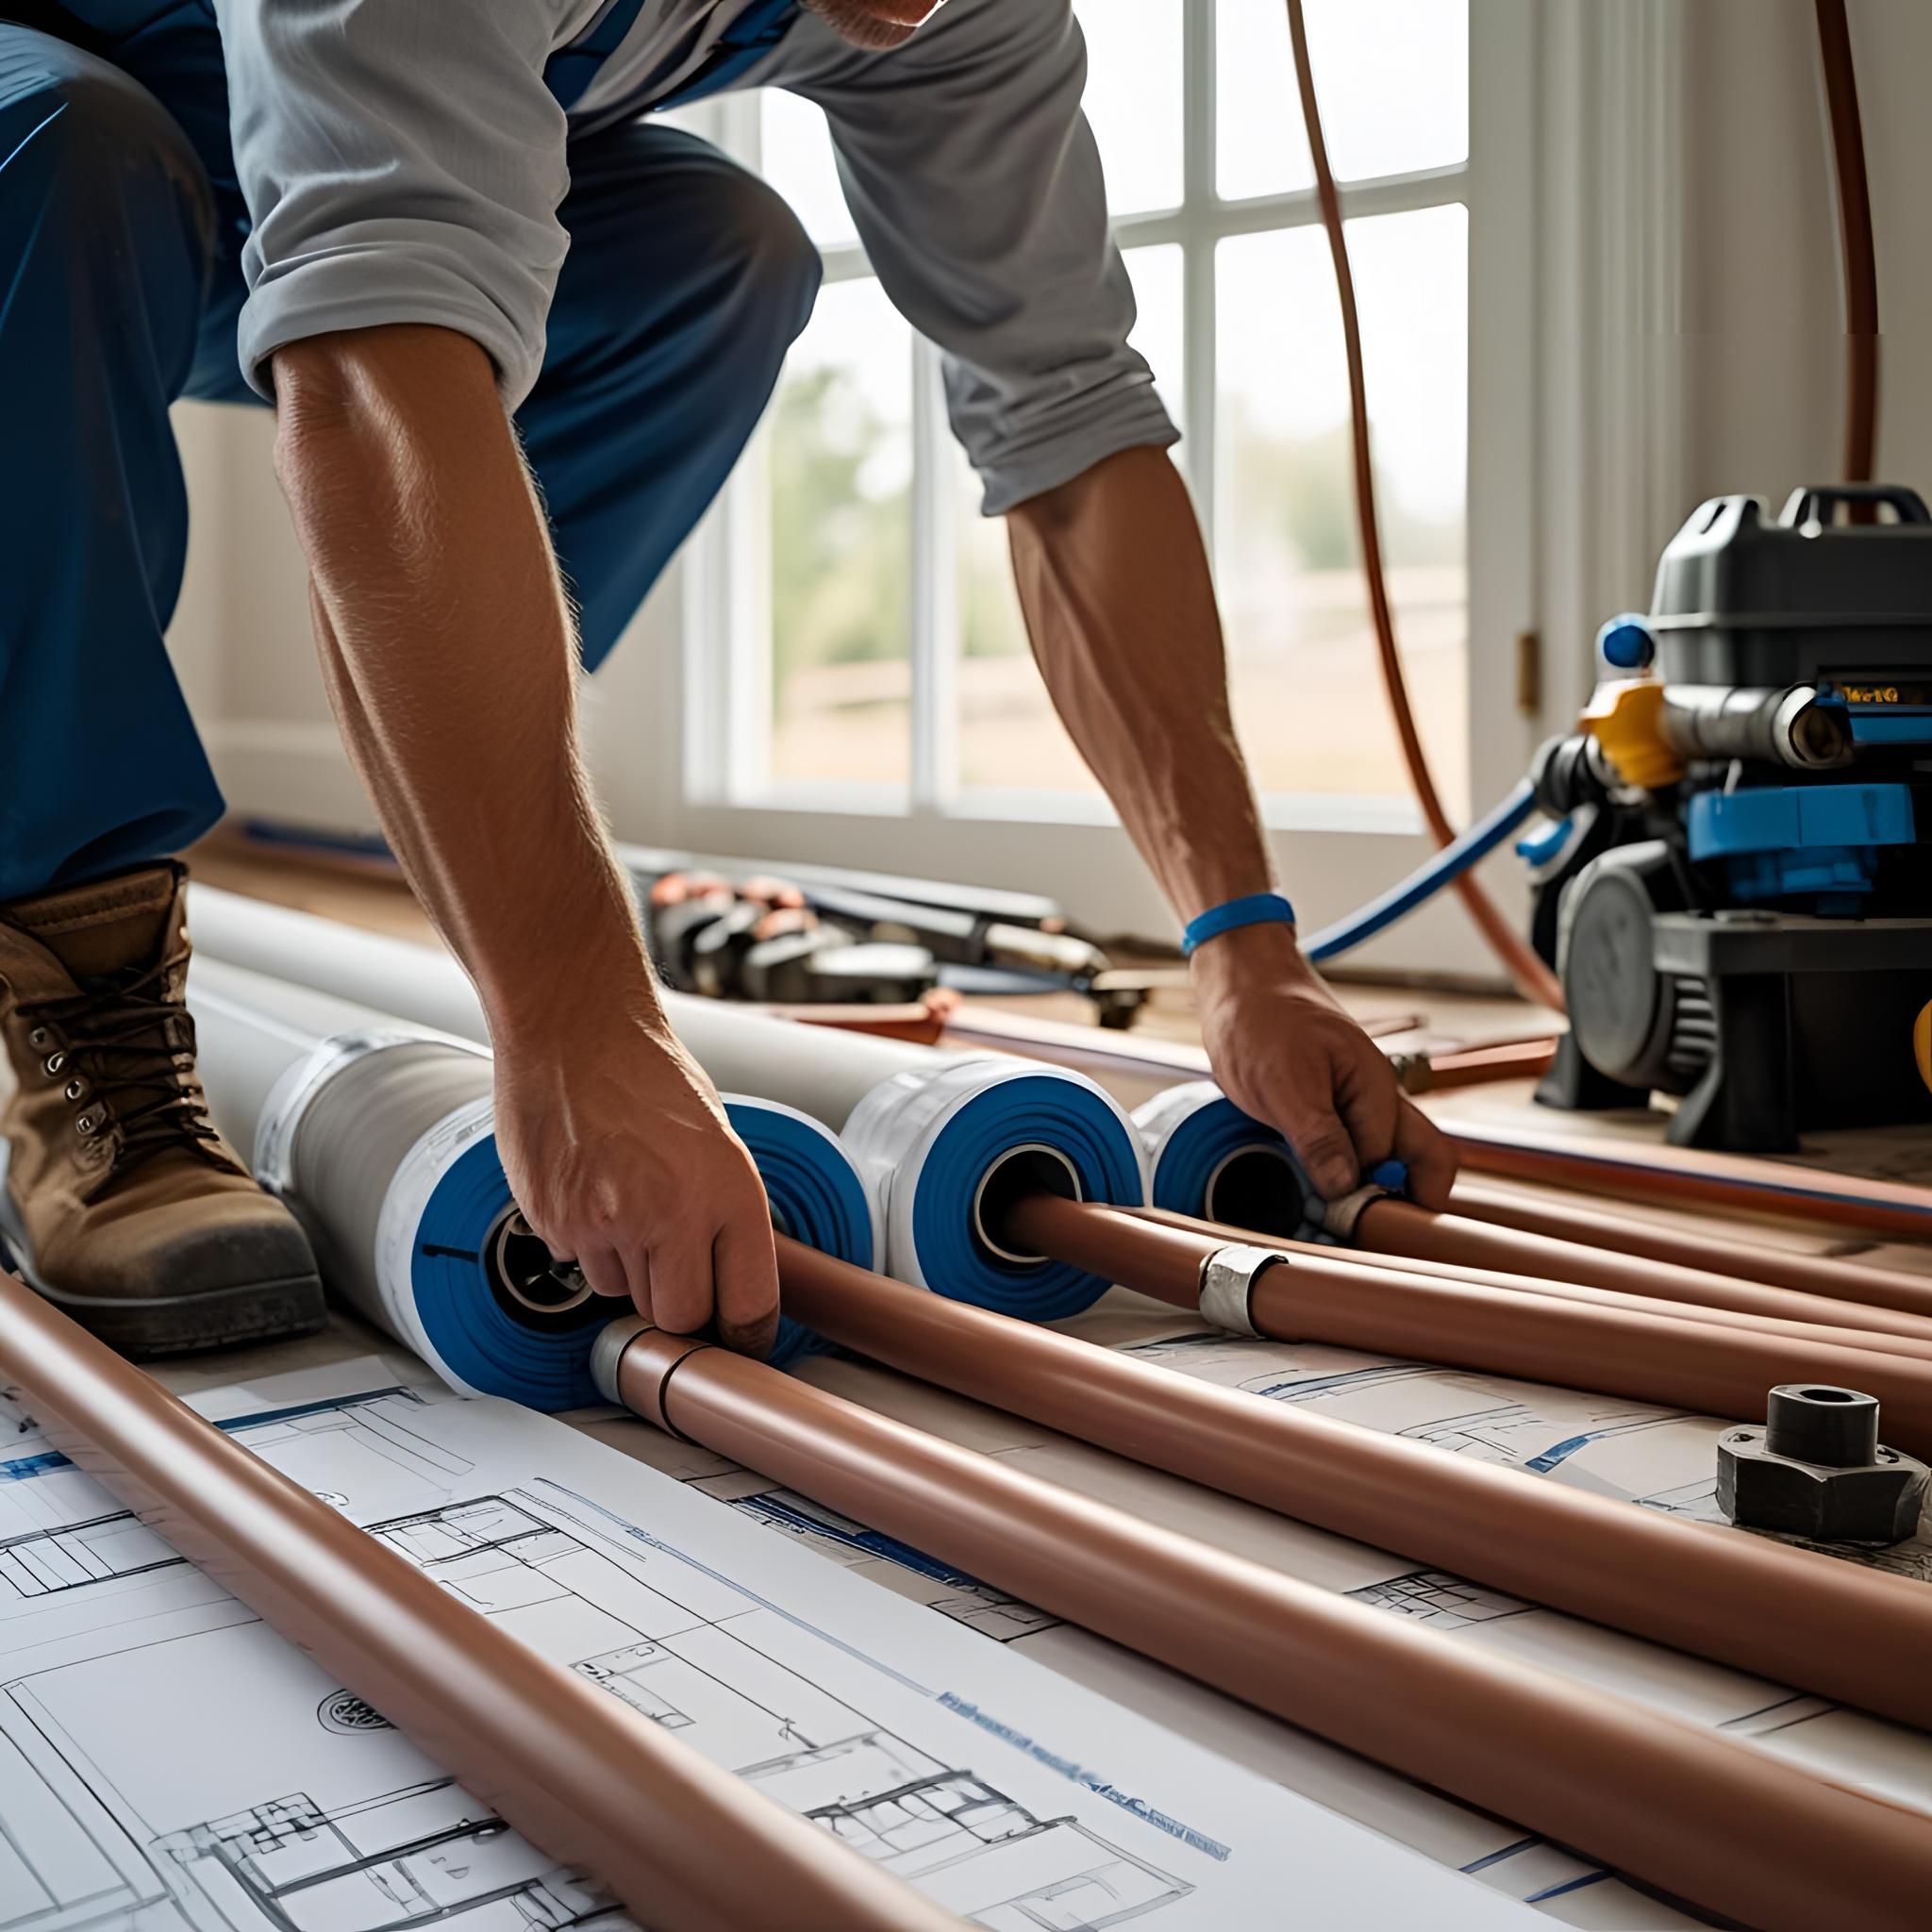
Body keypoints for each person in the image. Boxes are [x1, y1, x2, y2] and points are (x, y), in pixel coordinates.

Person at [0, 0, 1456, 1360]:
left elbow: (1068, 431)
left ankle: (461, 800)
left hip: (232, 189)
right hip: (46, 139)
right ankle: (69, 975)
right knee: (74, 146)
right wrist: (575, 1017)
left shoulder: (953, 13)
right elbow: (379, 367)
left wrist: (1245, 946)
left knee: (718, 255)